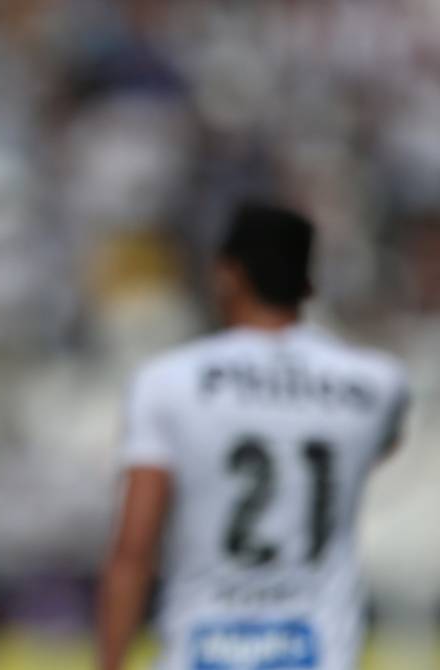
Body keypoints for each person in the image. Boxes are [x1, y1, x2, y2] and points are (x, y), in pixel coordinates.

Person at [97, 203, 410, 670]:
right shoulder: (377, 383)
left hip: (200, 648)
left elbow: (134, 551)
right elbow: (376, 451)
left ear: (227, 274)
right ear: (308, 283)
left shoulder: (168, 381)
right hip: (320, 650)